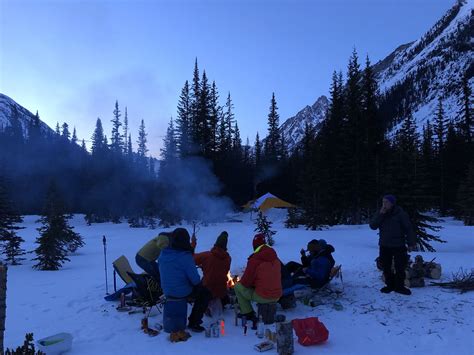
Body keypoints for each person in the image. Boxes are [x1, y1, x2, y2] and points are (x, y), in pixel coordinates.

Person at [158, 228, 211, 332]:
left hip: (166, 290)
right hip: (181, 292)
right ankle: (194, 322)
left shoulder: (163, 254)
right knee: (205, 293)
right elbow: (195, 280)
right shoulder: (184, 257)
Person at [370, 194, 416, 295]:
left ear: (392, 203)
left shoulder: (400, 213)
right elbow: (373, 226)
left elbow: (408, 228)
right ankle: (389, 285)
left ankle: (400, 287)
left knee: (400, 267)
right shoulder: (381, 213)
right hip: (384, 245)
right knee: (386, 266)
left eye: (386, 202)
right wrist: (381, 214)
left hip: (398, 245)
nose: (384, 204)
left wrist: (411, 243)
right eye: (383, 202)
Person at [234, 233, 282, 320]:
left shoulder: (254, 260)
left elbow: (245, 283)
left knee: (237, 286)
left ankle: (247, 313)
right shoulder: (275, 258)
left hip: (263, 296)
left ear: (254, 246)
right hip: (277, 295)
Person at [194, 231, 232, 307]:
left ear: (215, 244)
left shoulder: (207, 256)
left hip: (208, 290)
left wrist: (193, 244)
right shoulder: (228, 258)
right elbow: (219, 269)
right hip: (222, 291)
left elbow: (191, 259)